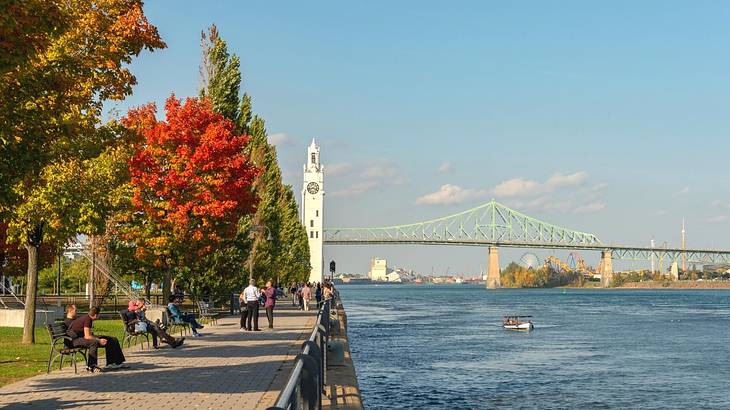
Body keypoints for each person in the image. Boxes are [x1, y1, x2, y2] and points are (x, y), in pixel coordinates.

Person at [67, 306, 126, 372]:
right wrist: (99, 340)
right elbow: (87, 336)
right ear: (96, 315)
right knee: (94, 342)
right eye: (99, 315)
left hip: (80, 338)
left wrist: (100, 339)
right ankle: (92, 366)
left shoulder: (87, 318)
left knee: (112, 339)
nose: (99, 316)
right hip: (74, 340)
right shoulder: (87, 319)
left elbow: (87, 335)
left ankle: (114, 362)